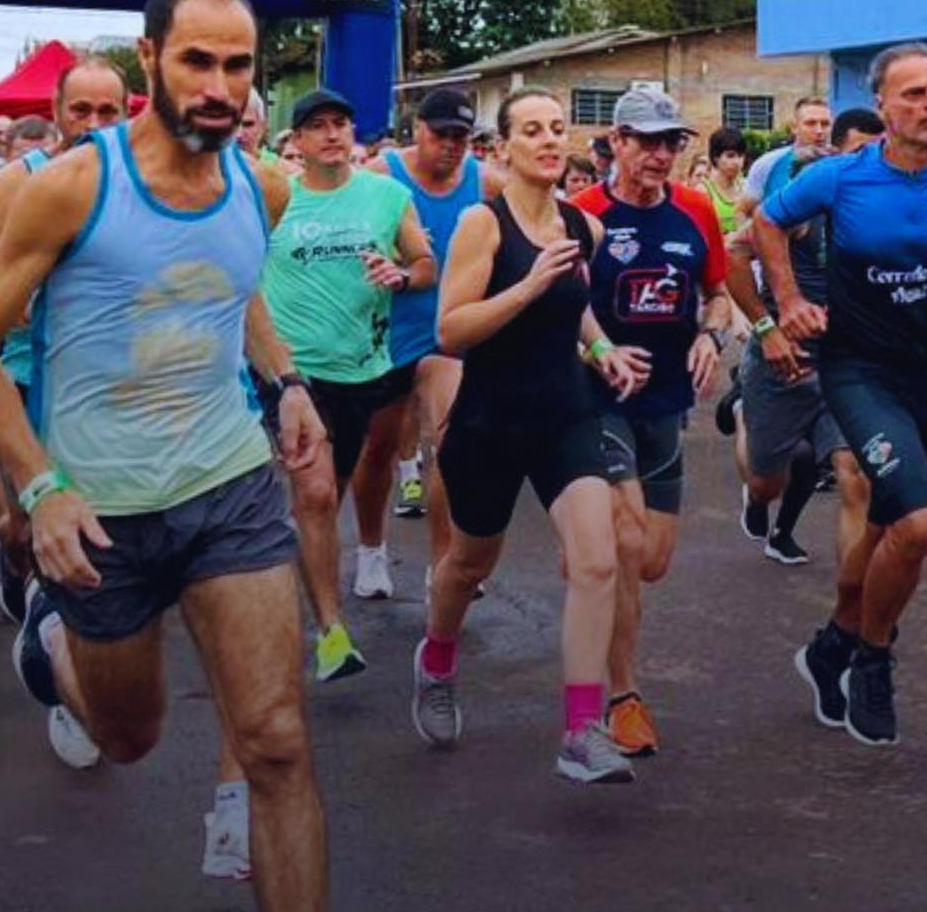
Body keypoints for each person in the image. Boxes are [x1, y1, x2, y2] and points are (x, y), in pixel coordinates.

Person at [0, 0, 354, 912]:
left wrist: (287, 386)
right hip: (102, 512)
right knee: (130, 738)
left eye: (239, 67)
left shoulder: (260, 185)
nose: (223, 88)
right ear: (150, 60)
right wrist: (42, 486)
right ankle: (55, 652)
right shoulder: (74, 187)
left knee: (275, 740)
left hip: (229, 488)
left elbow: (238, 296)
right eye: (199, 63)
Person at [757, 44, 927, 747]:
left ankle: (831, 646)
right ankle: (873, 661)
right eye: (915, 93)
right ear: (882, 105)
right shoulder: (842, 178)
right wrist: (786, 300)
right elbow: (763, 223)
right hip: (857, 371)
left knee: (889, 533)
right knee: (918, 522)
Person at [410, 88, 644, 783]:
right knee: (467, 565)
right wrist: (525, 288)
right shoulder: (484, 225)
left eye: (557, 128)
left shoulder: (583, 227)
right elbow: (451, 330)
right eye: (532, 130)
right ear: (503, 145)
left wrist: (603, 351)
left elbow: (578, 312)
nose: (548, 140)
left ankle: (580, 729)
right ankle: (438, 656)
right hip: (489, 421)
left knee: (598, 562)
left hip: (566, 415)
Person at [572, 87, 730, 757]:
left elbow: (718, 294)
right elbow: (554, 312)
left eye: (671, 143)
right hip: (596, 401)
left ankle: (591, 568)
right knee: (626, 544)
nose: (661, 155)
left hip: (667, 402)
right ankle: (621, 696)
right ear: (617, 142)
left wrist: (710, 339)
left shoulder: (695, 212)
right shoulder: (581, 214)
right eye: (647, 142)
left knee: (654, 560)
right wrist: (596, 349)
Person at [258, 87, 434, 680]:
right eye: (318, 126)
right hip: (294, 373)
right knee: (315, 493)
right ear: (298, 141)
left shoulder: (386, 195)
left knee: (333, 488)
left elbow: (426, 265)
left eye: (342, 123)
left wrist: (401, 274)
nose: (333, 134)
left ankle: (294, 569)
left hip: (362, 367)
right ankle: (331, 633)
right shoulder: (277, 198)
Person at [0, 74, 126, 615]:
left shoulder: (137, 183)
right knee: (22, 523)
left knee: (101, 523)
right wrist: (16, 308)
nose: (94, 125)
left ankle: (65, 643)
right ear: (56, 110)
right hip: (28, 374)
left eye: (108, 112)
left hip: (107, 382)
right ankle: (13, 557)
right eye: (81, 110)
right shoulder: (19, 180)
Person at [725, 107, 885, 565]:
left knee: (855, 474)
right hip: (786, 359)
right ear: (837, 154)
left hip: (846, 363)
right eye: (860, 153)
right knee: (765, 483)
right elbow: (733, 255)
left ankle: (853, 613)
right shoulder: (804, 208)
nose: (871, 165)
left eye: (879, 154)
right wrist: (767, 327)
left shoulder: (882, 213)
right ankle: (742, 411)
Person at [353, 86, 495, 590]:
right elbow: (341, 234)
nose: (453, 145)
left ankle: (445, 566)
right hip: (388, 332)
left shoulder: (485, 182)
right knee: (378, 449)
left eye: (462, 136)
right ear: (417, 130)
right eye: (443, 135)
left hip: (446, 336)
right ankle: (371, 551)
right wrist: (387, 252)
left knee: (453, 441)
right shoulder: (379, 175)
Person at [740, 97, 833, 216]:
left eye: (825, 124)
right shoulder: (768, 163)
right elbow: (742, 212)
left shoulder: (843, 163)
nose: (819, 130)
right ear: (795, 127)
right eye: (811, 123)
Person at [701, 127, 749, 242]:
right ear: (716, 157)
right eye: (730, 156)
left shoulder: (747, 187)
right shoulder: (703, 191)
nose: (737, 162)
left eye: (740, 155)